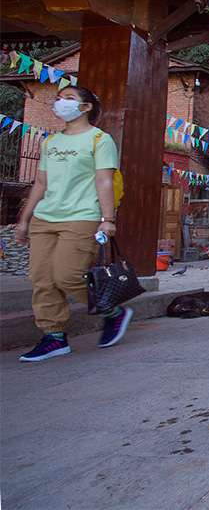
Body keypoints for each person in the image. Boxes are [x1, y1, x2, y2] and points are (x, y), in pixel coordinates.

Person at [14, 86, 124, 362]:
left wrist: (107, 220)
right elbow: (40, 183)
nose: (61, 102)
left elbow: (104, 181)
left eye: (70, 98)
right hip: (45, 217)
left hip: (82, 217)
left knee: (66, 275)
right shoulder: (51, 142)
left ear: (86, 107)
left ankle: (112, 310)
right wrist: (24, 220)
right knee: (41, 279)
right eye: (59, 98)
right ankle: (54, 337)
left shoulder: (100, 140)